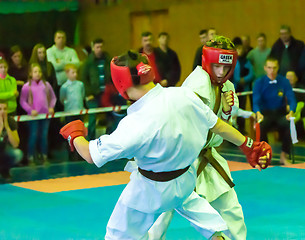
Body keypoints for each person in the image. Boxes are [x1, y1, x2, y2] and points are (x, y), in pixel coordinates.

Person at [59, 50, 272, 240]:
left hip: (152, 190)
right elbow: (218, 125)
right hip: (185, 182)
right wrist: (247, 144)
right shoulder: (184, 95)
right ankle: (216, 234)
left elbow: (89, 154)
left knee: (116, 235)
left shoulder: (135, 124)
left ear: (121, 84)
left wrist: (74, 134)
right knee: (206, 219)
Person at [149, 35, 255, 240]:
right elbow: (197, 127)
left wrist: (226, 113)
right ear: (208, 63)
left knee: (230, 206)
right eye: (217, 67)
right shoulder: (196, 86)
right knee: (163, 212)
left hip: (208, 157)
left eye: (226, 68)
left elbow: (221, 130)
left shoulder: (228, 88)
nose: (221, 72)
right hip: (181, 157)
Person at [253, 57, 297, 165]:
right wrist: (258, 113)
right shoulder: (259, 82)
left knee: (289, 124)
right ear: (265, 68)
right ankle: (266, 156)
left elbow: (292, 99)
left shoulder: (284, 81)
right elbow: (255, 101)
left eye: (274, 68)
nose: (272, 71)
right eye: (269, 68)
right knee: (261, 125)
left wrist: (291, 112)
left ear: (278, 68)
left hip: (280, 113)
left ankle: (283, 156)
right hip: (265, 113)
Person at [20, 63, 57, 165]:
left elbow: (53, 97)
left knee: (44, 136)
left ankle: (44, 156)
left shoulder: (46, 85)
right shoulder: (27, 86)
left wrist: (51, 107)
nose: (38, 74)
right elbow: (22, 101)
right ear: (31, 73)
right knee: (33, 135)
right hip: (33, 117)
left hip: (45, 116)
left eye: (39, 71)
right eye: (35, 71)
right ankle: (31, 157)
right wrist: (30, 110)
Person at [81, 38, 112, 140]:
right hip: (93, 94)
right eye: (97, 47)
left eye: (101, 47)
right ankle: (90, 140)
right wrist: (88, 93)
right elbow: (84, 79)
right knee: (92, 119)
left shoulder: (108, 60)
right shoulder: (88, 62)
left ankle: (110, 139)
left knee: (110, 117)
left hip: (106, 93)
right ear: (93, 48)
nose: (99, 49)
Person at [60, 64, 85, 161]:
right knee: (70, 135)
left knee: (80, 133)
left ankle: (81, 154)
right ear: (67, 73)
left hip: (79, 111)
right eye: (72, 72)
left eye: (76, 72)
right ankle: (71, 155)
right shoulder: (64, 87)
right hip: (69, 113)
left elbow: (82, 95)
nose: (75, 75)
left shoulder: (80, 84)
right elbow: (62, 99)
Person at [232, 37, 255, 133]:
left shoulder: (246, 61)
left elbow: (251, 74)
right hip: (235, 87)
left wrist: (244, 80)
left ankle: (242, 128)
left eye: (241, 49)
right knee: (233, 108)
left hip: (244, 88)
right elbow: (232, 74)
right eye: (237, 49)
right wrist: (238, 80)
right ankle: (233, 128)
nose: (239, 51)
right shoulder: (233, 61)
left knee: (243, 107)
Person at [0, 100, 22, 182]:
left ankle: (4, 170)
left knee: (17, 153)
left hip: (4, 150)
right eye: (0, 109)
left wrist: (7, 127)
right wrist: (1, 128)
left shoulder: (10, 121)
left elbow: (15, 144)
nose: (2, 111)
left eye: (5, 109)